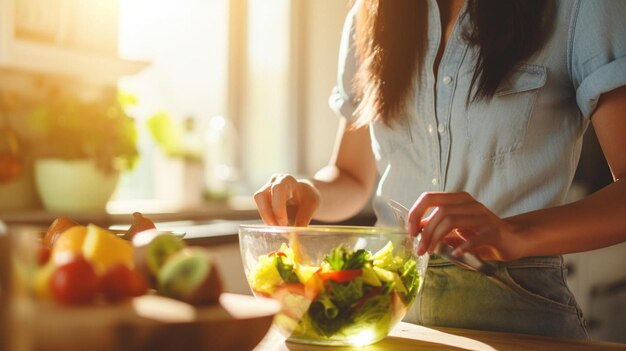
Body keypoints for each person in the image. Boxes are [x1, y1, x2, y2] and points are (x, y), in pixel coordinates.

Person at [253, 0, 626, 339]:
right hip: (388, 317)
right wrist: (310, 192)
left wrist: (515, 233)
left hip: (518, 310)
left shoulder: (580, 8)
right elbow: (351, 177)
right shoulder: (370, 14)